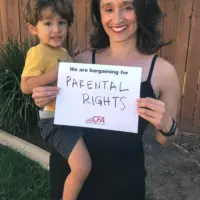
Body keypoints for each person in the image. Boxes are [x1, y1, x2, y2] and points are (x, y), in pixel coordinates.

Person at [32, 0, 180, 199]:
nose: (117, 18)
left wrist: (167, 124)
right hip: (71, 180)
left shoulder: (163, 72)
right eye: (108, 9)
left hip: (120, 184)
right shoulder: (80, 61)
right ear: (100, 14)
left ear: (142, 9)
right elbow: (53, 106)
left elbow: (164, 139)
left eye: (127, 7)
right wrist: (42, 97)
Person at [20, 1, 91, 200]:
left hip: (69, 117)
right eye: (48, 23)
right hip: (54, 121)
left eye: (62, 23)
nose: (57, 30)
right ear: (33, 28)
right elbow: (26, 85)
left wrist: (72, 61)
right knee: (82, 166)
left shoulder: (62, 52)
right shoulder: (38, 52)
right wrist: (55, 73)